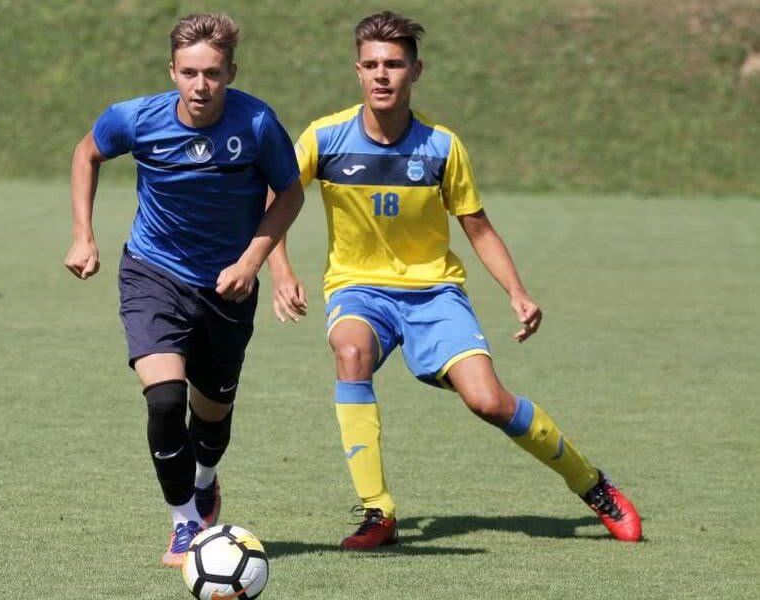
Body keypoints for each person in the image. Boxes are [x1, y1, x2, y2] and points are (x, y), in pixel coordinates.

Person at [268, 11, 642, 549]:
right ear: (357, 70)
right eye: (371, 64)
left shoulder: (442, 147)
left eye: (394, 64)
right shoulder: (324, 137)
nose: (381, 75)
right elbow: (277, 197)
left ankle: (591, 483)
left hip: (434, 294)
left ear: (416, 71)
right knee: (350, 352)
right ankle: (378, 512)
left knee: (489, 401)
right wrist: (281, 270)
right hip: (358, 288)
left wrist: (516, 292)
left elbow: (478, 228)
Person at [64, 13, 304, 567]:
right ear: (172, 71)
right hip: (154, 273)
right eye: (190, 73)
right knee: (166, 399)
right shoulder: (135, 118)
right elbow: (86, 153)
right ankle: (184, 522)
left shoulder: (257, 123)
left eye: (213, 74)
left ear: (230, 73)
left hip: (228, 287)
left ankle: (205, 477)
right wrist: (83, 235)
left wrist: (253, 262)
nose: (201, 86)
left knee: (211, 415)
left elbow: (289, 193)